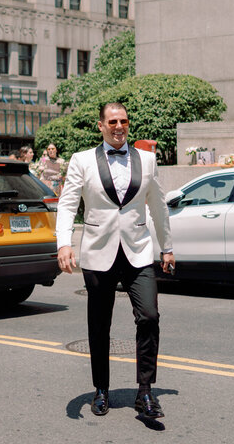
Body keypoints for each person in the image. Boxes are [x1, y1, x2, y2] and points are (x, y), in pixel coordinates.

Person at [55, 102, 174, 420]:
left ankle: (145, 392)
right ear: (101, 126)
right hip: (98, 252)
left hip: (138, 250)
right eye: (112, 121)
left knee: (149, 317)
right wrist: (64, 244)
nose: (118, 126)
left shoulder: (147, 160)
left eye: (123, 120)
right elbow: (67, 205)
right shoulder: (82, 160)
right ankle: (101, 390)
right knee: (99, 325)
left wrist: (167, 247)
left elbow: (159, 206)